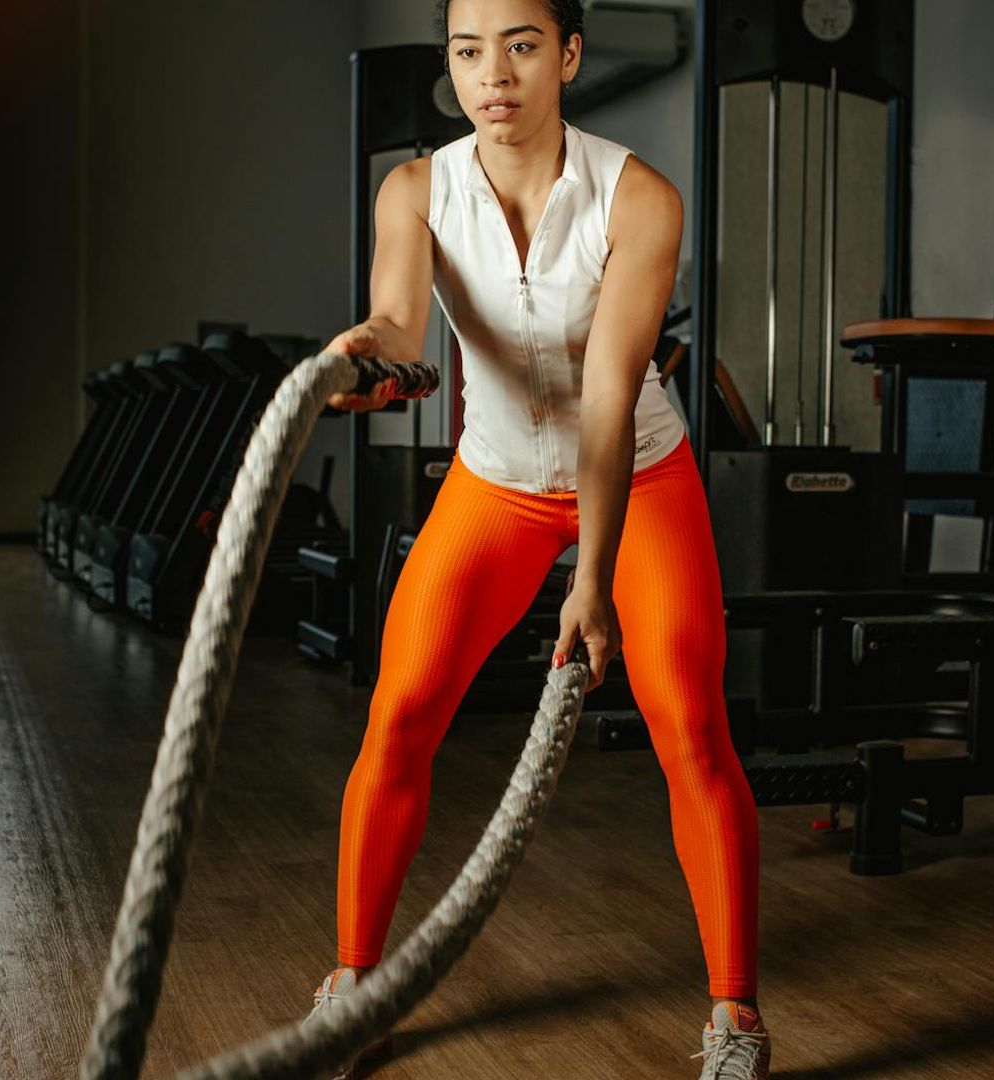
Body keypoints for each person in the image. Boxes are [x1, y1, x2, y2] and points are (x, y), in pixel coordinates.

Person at [302, 1, 766, 1076]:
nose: (492, 74)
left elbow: (609, 396)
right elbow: (400, 325)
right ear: (451, 67)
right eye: (468, 51)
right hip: (497, 482)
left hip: (640, 473)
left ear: (566, 54)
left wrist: (591, 580)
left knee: (690, 726)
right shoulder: (417, 191)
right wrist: (362, 356)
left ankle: (737, 1016)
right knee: (402, 711)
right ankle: (354, 978)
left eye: (519, 45)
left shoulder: (638, 197)